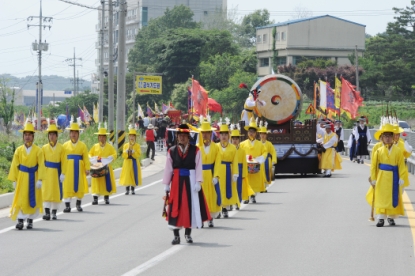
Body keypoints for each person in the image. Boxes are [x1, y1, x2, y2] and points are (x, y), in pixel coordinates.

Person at [162, 124, 211, 245]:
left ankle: (188, 234)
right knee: (175, 207)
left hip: (191, 179)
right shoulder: (172, 151)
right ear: (177, 137)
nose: (182, 138)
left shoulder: (195, 150)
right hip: (177, 181)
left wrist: (198, 181)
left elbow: (199, 166)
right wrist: (166, 183)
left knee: (190, 206)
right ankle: (176, 236)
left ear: (189, 137)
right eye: (180, 136)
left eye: (185, 136)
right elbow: (168, 168)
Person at [367, 124, 406, 227]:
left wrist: (402, 177)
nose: (388, 138)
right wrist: (374, 178)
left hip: (394, 176)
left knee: (393, 196)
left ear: (393, 137)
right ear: (382, 138)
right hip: (382, 176)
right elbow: (373, 166)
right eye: (385, 136)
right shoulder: (379, 151)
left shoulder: (398, 151)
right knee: (381, 196)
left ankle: (391, 217)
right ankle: (380, 218)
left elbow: (401, 165)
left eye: (389, 136)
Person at [8, 120, 44, 230]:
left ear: (33, 137)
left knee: (33, 198)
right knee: (21, 198)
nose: (27, 137)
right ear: (23, 136)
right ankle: (20, 220)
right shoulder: (19, 150)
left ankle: (30, 220)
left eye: (29, 135)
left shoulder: (38, 150)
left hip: (34, 176)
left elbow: (41, 165)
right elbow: (15, 165)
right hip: (22, 177)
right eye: (26, 135)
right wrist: (14, 179)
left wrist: (40, 179)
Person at [61, 119, 90, 213]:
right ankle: (67, 206)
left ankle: (78, 204)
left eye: (75, 132)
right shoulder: (65, 145)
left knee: (79, 185)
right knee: (67, 185)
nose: (73, 134)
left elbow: (86, 158)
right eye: (72, 132)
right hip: (68, 169)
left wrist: (87, 168)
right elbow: (61, 158)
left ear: (78, 134)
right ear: (69, 134)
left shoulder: (83, 146)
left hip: (79, 168)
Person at [213, 119, 239, 218]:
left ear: (229, 136)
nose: (223, 136)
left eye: (225, 134)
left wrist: (235, 173)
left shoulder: (233, 148)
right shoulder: (215, 147)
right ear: (219, 136)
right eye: (222, 134)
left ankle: (224, 208)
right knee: (217, 190)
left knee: (226, 189)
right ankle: (218, 208)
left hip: (228, 169)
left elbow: (235, 160)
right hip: (218, 170)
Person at [197, 117, 221, 227]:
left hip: (210, 174)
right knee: (201, 197)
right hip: (200, 175)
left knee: (211, 196)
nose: (205, 135)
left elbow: (218, 162)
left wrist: (216, 175)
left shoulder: (216, 147)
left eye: (207, 133)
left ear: (211, 133)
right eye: (203, 133)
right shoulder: (197, 148)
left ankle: (210, 217)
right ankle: (200, 218)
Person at [239, 118, 267, 203]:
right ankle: (246, 196)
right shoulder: (242, 144)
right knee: (246, 180)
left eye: (253, 132)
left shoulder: (260, 144)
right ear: (247, 133)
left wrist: (258, 160)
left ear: (256, 133)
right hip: (246, 165)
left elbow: (265, 153)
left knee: (255, 181)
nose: (251, 133)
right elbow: (240, 153)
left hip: (256, 166)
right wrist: (246, 158)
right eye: (250, 131)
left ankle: (253, 195)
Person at [41, 122, 65, 220]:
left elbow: (64, 162)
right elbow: (41, 162)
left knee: (56, 192)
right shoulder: (44, 148)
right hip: (47, 172)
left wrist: (63, 173)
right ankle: (47, 212)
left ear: (56, 136)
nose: (51, 136)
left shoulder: (61, 148)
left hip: (57, 172)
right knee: (46, 192)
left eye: (53, 134)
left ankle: (54, 212)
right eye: (50, 134)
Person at [89, 125, 117, 205]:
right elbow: (90, 154)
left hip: (106, 166)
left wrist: (110, 157)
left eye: (103, 137)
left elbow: (114, 154)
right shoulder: (95, 146)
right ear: (98, 137)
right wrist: (92, 158)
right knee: (96, 181)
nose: (102, 138)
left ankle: (106, 197)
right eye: (100, 137)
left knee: (106, 181)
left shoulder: (109, 146)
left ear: (106, 137)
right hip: (97, 167)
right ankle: (95, 198)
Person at [230, 124, 255, 207]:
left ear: (239, 140)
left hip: (240, 168)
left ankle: (238, 202)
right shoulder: (229, 149)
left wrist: (244, 174)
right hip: (231, 169)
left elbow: (244, 162)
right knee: (230, 186)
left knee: (239, 186)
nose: (235, 141)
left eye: (237, 139)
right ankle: (230, 202)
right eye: (233, 139)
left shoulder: (242, 150)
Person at [120, 125, 142, 195]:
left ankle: (133, 189)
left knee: (134, 174)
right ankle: (127, 189)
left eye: (133, 136)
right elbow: (123, 154)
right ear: (129, 137)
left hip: (134, 161)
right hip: (127, 161)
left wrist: (134, 152)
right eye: (130, 136)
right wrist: (126, 152)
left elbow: (138, 154)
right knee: (127, 175)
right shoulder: (126, 145)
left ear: (135, 137)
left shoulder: (137, 145)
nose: (132, 138)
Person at [258, 122, 277, 192]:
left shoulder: (269, 144)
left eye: (264, 134)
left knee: (266, 172)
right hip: (260, 160)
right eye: (261, 134)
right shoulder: (258, 143)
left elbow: (273, 152)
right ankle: (261, 186)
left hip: (267, 160)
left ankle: (265, 186)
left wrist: (273, 160)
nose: (262, 135)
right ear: (259, 135)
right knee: (260, 173)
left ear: (266, 135)